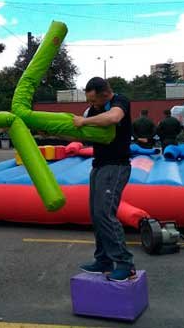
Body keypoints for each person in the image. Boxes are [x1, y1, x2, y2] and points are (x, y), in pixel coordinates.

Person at [73, 77, 135, 282]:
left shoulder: (120, 101)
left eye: (93, 100)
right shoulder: (93, 111)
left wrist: (84, 121)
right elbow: (82, 132)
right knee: (96, 214)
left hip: (116, 166)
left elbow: (113, 118)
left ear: (105, 93)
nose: (91, 105)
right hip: (99, 166)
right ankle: (104, 260)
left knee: (105, 213)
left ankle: (125, 263)